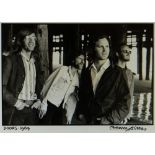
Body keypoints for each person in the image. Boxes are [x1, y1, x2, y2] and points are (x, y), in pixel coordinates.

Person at [77, 35, 130, 125]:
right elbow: (82, 95)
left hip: (108, 123)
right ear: (93, 48)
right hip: (90, 122)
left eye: (107, 46)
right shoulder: (86, 72)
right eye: (100, 46)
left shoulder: (118, 72)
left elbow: (125, 103)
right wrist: (81, 112)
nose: (105, 50)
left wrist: (108, 119)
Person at [2, 28, 43, 125]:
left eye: (33, 38)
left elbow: (38, 84)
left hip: (32, 109)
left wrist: (38, 99)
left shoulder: (36, 62)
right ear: (20, 41)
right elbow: (2, 87)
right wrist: (16, 103)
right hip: (16, 109)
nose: (31, 41)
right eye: (27, 38)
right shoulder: (11, 60)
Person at [39, 52, 85, 125]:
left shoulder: (76, 78)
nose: (83, 62)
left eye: (84, 59)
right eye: (80, 59)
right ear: (73, 60)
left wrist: (69, 115)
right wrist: (44, 103)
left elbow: (71, 98)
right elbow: (48, 84)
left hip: (60, 106)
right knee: (44, 127)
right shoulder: (63, 69)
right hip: (49, 103)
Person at [116, 44, 135, 124]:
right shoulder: (111, 72)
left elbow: (130, 95)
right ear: (117, 54)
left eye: (129, 52)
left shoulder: (130, 73)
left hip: (124, 114)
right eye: (125, 51)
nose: (128, 53)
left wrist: (127, 114)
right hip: (112, 114)